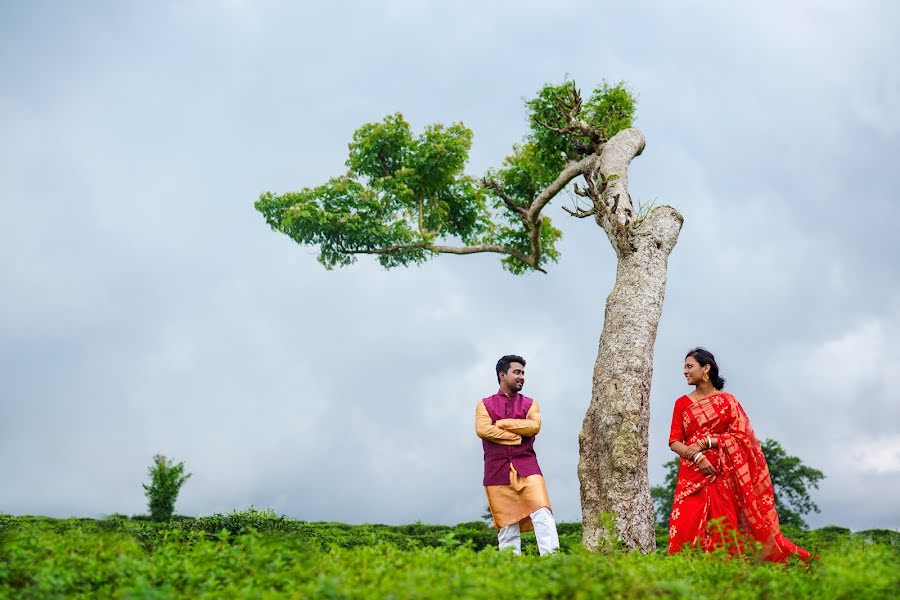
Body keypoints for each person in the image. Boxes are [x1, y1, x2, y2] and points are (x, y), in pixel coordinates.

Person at [666, 347, 811, 562]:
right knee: (683, 528)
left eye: (689, 366)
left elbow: (744, 438)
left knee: (723, 533)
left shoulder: (728, 401)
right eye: (684, 367)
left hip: (724, 477)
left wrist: (708, 441)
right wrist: (697, 456)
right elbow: (674, 441)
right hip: (692, 479)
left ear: (706, 368)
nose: (684, 371)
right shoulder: (682, 403)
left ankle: (726, 581)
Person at [474, 354, 559, 555]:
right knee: (506, 526)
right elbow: (483, 430)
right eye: (517, 372)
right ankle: (511, 572)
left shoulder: (530, 404)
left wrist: (502, 424)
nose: (521, 377)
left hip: (527, 467)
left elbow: (534, 426)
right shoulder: (484, 405)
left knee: (543, 513)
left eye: (523, 373)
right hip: (497, 471)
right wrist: (517, 437)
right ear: (502, 375)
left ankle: (553, 563)